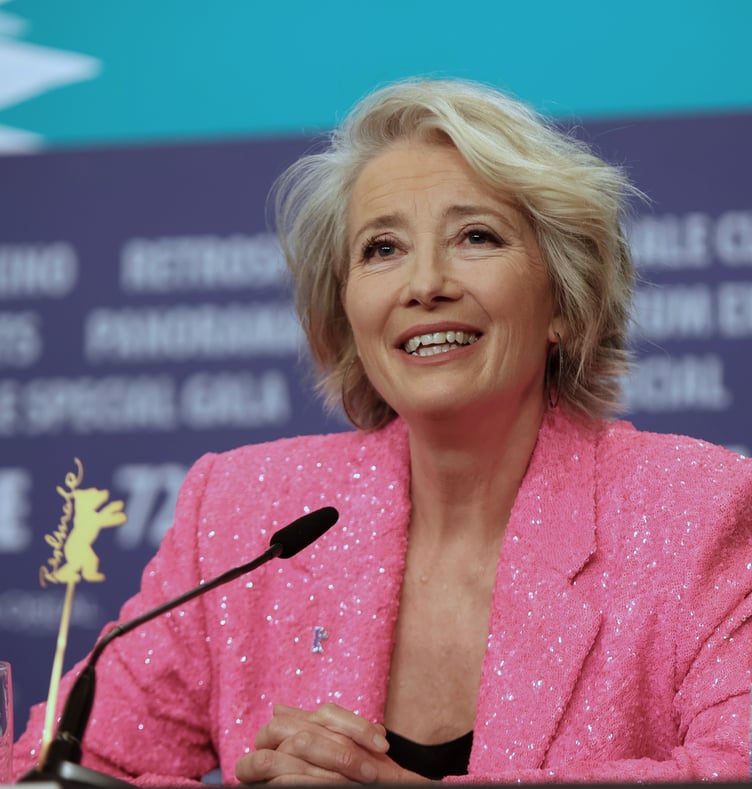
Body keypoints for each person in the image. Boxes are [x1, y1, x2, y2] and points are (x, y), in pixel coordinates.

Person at [14, 78, 752, 785]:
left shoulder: (695, 510)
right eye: (382, 249)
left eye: (476, 236)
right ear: (346, 315)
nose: (424, 283)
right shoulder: (246, 511)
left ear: (563, 303)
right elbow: (54, 769)